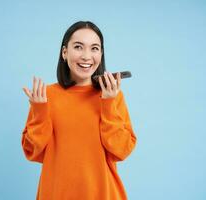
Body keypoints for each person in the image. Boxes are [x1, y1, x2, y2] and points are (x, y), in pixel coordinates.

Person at [21, 21, 137, 200]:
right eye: (78, 47)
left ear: (101, 54)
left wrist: (108, 103)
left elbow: (121, 150)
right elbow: (32, 151)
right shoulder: (46, 96)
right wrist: (40, 111)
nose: (86, 56)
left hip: (104, 194)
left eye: (94, 48)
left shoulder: (113, 96)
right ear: (64, 52)